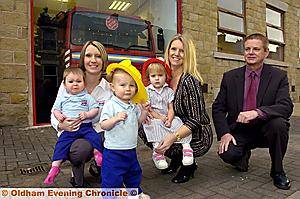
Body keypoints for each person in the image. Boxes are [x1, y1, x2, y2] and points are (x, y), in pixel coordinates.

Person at [212, 33, 293, 190]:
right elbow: (218, 108)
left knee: (279, 124)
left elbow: (286, 106)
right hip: (240, 130)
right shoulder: (230, 77)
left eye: (256, 49)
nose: (250, 52)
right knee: (227, 153)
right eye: (247, 49)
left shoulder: (278, 76)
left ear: (266, 52)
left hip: (266, 128)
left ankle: (277, 171)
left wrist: (257, 112)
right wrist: (224, 134)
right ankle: (242, 155)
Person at [139, 34, 213, 183]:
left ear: (188, 55)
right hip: (171, 123)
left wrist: (173, 137)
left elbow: (196, 119)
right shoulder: (162, 76)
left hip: (196, 132)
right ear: (168, 51)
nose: (176, 54)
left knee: (169, 136)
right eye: (173, 49)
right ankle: (177, 159)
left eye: (182, 50)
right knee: (144, 126)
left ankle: (189, 165)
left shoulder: (189, 80)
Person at [50, 41, 112, 187]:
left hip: (99, 131)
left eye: (98, 56)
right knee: (79, 150)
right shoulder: (70, 81)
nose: (93, 60)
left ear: (103, 60)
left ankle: (101, 167)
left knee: (109, 139)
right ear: (83, 59)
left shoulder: (109, 87)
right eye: (89, 55)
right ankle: (77, 172)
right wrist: (61, 124)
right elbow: (55, 110)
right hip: (73, 133)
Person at [100, 59, 150, 199]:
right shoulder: (111, 105)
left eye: (132, 85)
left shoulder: (133, 106)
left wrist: (144, 112)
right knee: (112, 178)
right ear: (112, 87)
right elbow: (103, 125)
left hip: (130, 149)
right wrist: (115, 119)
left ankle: (134, 193)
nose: (128, 89)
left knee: (133, 173)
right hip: (114, 151)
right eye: (123, 85)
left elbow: (137, 123)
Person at [44, 67, 103, 185]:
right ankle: (55, 166)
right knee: (61, 144)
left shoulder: (87, 97)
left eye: (78, 81)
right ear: (64, 85)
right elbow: (55, 109)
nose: (75, 84)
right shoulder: (62, 98)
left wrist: (87, 114)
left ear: (84, 84)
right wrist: (59, 117)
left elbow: (95, 109)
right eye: (71, 81)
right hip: (69, 130)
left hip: (85, 127)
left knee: (95, 138)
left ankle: (98, 155)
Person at [142, 58, 193, 170]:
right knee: (152, 125)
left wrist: (169, 119)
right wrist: (160, 117)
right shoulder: (147, 91)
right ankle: (158, 152)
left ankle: (186, 148)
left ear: (166, 76)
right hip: (155, 117)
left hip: (167, 117)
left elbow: (171, 107)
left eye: (160, 75)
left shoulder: (168, 91)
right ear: (149, 77)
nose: (157, 79)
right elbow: (149, 109)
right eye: (153, 76)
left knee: (178, 123)